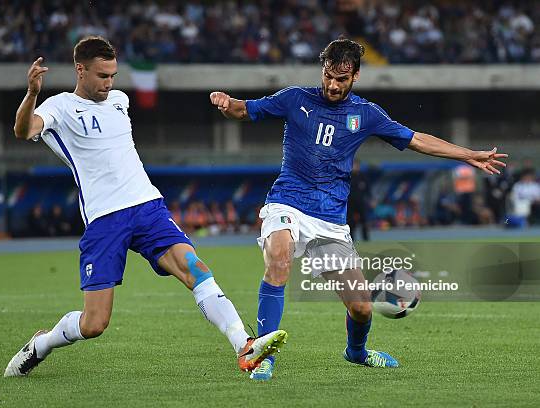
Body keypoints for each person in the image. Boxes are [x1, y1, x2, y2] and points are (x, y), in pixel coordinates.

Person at [209, 38, 507, 381]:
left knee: (363, 307)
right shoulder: (294, 99)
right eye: (329, 77)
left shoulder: (366, 114)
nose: (333, 86)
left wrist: (468, 154)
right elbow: (245, 109)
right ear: (322, 71)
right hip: (288, 201)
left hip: (331, 219)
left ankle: (357, 352)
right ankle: (261, 354)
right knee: (279, 258)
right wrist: (226, 101)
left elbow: (416, 139)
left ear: (356, 77)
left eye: (342, 80)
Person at [4, 36, 287, 378]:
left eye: (113, 75)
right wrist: (32, 93)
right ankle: (42, 344)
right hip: (105, 220)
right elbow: (23, 130)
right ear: (80, 70)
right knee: (95, 324)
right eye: (102, 75)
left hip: (147, 206)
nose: (109, 83)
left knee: (195, 269)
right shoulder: (58, 107)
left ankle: (244, 345)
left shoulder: (120, 100)